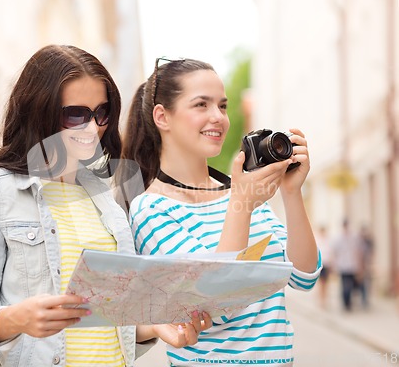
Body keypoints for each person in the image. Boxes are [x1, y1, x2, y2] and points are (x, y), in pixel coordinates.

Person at [0, 45, 211, 367]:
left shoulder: (105, 199)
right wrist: (15, 318)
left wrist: (155, 325)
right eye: (75, 115)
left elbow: (108, 317)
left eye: (101, 113)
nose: (92, 128)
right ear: (40, 111)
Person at [121, 57, 321, 366]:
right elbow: (210, 302)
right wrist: (242, 203)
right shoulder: (151, 208)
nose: (218, 117)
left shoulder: (240, 191)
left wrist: (292, 193)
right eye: (201, 105)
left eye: (223, 106)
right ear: (162, 117)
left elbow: (304, 277)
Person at [331, 219, 366, 312]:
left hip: (352, 265)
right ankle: (345, 303)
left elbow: (358, 252)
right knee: (344, 286)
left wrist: (359, 265)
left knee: (350, 286)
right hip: (342, 265)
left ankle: (349, 303)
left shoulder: (354, 238)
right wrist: (334, 265)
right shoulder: (338, 238)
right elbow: (335, 252)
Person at [315, 225, 333, 308]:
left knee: (326, 283)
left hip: (327, 264)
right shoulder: (317, 240)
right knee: (321, 283)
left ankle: (324, 299)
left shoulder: (328, 241)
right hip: (320, 264)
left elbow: (330, 253)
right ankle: (321, 300)